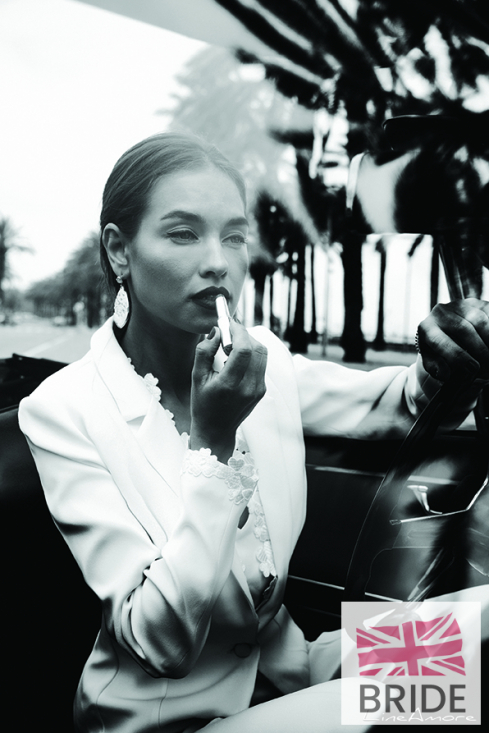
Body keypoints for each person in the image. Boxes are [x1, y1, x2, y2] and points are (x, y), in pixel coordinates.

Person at [18, 132, 489, 733]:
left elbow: (396, 404)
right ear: (119, 251)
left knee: (477, 638)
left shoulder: (261, 357)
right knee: (430, 696)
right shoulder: (63, 409)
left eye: (235, 236)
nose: (219, 261)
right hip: (174, 718)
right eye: (183, 233)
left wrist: (445, 356)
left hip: (292, 673)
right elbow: (159, 644)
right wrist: (213, 447)